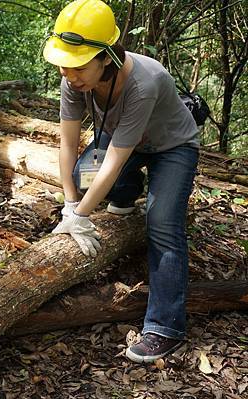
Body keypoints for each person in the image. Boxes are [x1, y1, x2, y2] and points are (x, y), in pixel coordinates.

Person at [43, 0, 199, 363]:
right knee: (82, 180)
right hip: (122, 143)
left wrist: (81, 217)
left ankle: (166, 327)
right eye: (65, 65)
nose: (70, 74)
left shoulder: (146, 82)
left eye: (79, 66)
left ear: (108, 57)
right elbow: (67, 144)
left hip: (170, 148)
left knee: (161, 223)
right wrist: (71, 204)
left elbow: (114, 161)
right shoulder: (73, 78)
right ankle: (127, 195)